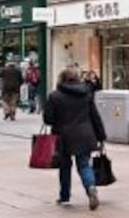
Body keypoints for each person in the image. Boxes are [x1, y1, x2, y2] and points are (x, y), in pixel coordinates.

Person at [44, 66, 107, 210]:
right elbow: (95, 116)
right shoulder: (86, 93)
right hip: (85, 134)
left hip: (63, 136)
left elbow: (48, 119)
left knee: (65, 166)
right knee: (84, 165)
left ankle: (65, 196)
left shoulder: (55, 96)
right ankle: (91, 187)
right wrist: (101, 136)